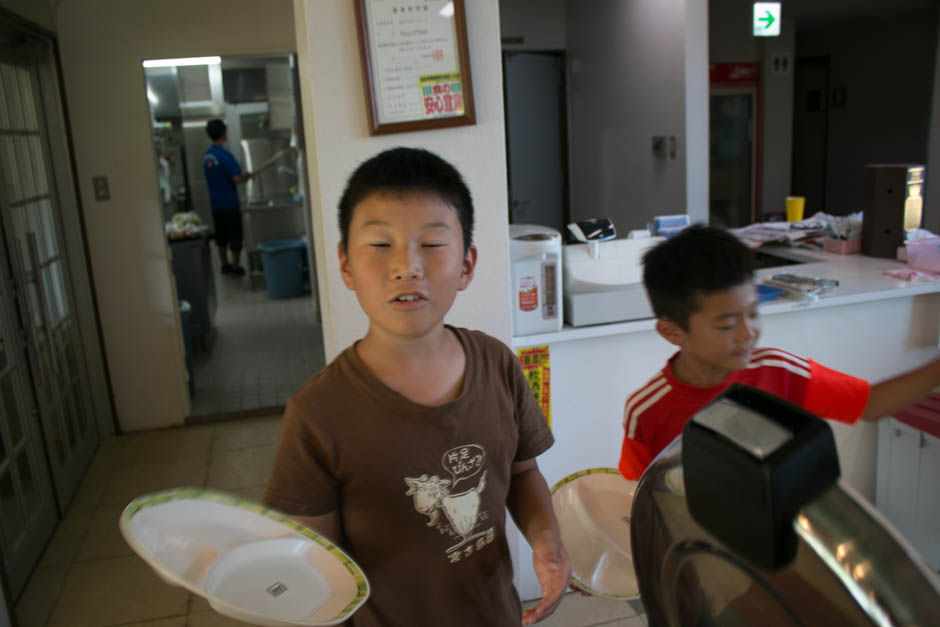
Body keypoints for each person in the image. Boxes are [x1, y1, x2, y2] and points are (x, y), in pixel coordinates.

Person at [263, 147, 571, 625]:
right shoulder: (317, 413)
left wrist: (545, 536)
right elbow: (314, 560)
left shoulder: (498, 366)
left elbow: (523, 471)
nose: (407, 266)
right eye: (381, 244)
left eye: (431, 244)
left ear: (467, 265)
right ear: (345, 265)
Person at [619, 224, 940, 480]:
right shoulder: (646, 411)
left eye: (754, 313)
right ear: (672, 332)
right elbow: (638, 494)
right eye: (727, 325)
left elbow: (871, 403)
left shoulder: (779, 371)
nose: (749, 333)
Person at [203, 118, 252, 276]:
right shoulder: (224, 155)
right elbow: (236, 178)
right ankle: (236, 266)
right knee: (235, 236)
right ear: (223, 133)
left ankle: (224, 264)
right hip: (229, 203)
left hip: (215, 203)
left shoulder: (208, 155)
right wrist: (247, 175)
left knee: (221, 236)